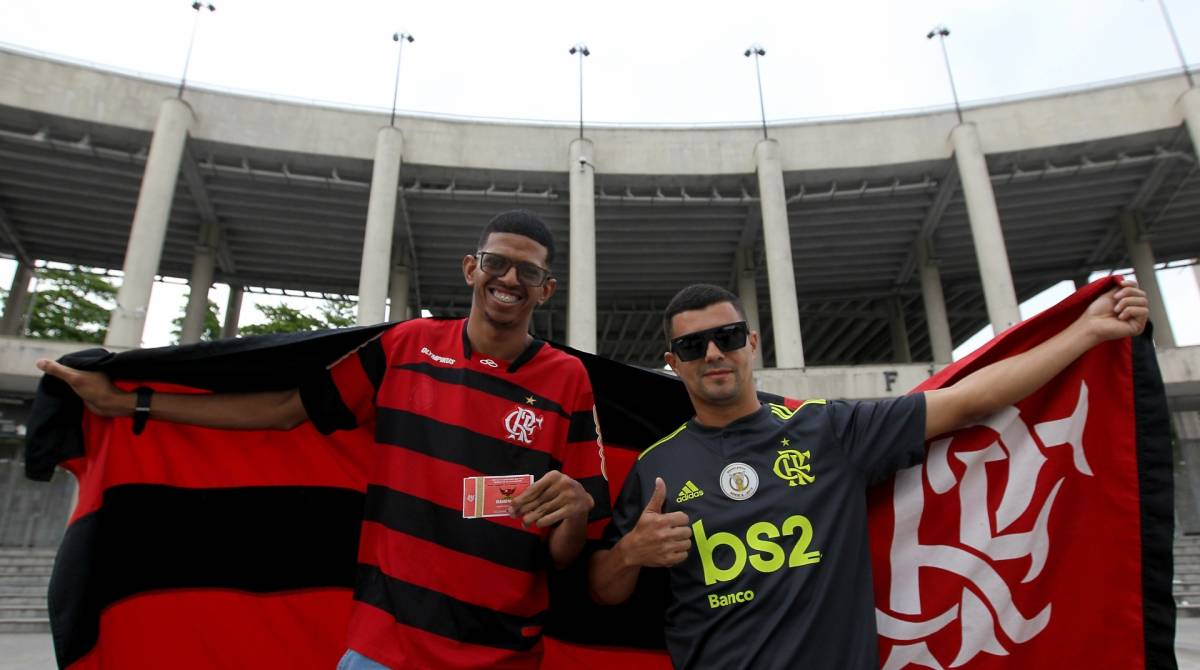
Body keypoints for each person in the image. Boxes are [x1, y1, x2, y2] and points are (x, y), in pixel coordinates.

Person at [37, 209, 608, 670]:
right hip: (383, 649)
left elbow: (564, 550)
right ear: (470, 268)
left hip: (504, 654)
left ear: (547, 289)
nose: (509, 279)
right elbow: (286, 410)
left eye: (527, 272)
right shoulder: (406, 348)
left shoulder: (567, 380)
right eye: (496, 263)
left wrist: (577, 512)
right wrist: (131, 403)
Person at [588, 281, 1148, 669]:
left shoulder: (828, 431)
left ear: (751, 344)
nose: (713, 353)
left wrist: (1085, 334)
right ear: (672, 361)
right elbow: (604, 592)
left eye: (728, 337)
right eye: (692, 345)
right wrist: (630, 553)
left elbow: (968, 401)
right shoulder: (656, 466)